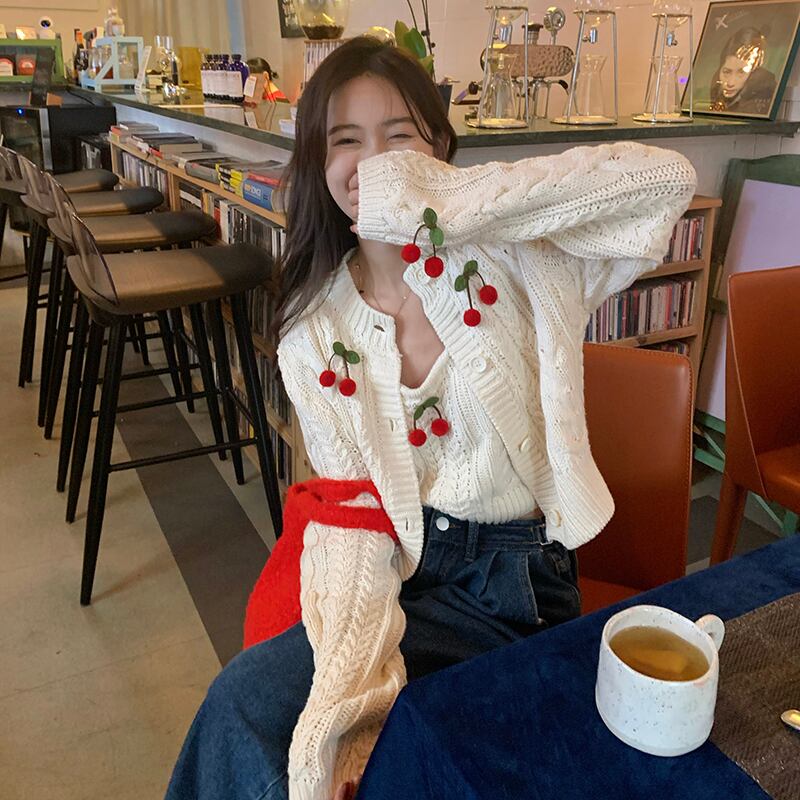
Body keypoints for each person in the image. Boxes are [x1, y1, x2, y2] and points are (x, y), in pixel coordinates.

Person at [166, 36, 697, 800]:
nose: (372, 163)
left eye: (399, 137)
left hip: (516, 582)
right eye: (345, 142)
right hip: (397, 572)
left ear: (441, 147)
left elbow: (663, 184)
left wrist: (442, 202)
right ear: (318, 163)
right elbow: (354, 516)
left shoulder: (518, 258)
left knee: (409, 759)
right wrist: (345, 680)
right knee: (249, 711)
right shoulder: (312, 333)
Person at [710, 26, 777, 115]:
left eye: (741, 72)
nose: (730, 83)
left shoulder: (760, 103)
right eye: (726, 72)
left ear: (754, 73)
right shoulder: (716, 92)